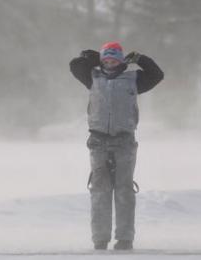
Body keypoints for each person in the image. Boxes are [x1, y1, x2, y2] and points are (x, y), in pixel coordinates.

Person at [69, 42, 164, 250]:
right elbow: (75, 65)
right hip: (98, 141)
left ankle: (125, 238)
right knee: (100, 191)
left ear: (121, 61)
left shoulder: (134, 79)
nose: (109, 63)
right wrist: (92, 57)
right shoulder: (93, 77)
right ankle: (100, 239)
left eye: (114, 59)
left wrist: (140, 59)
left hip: (124, 141)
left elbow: (157, 75)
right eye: (106, 59)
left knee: (124, 191)